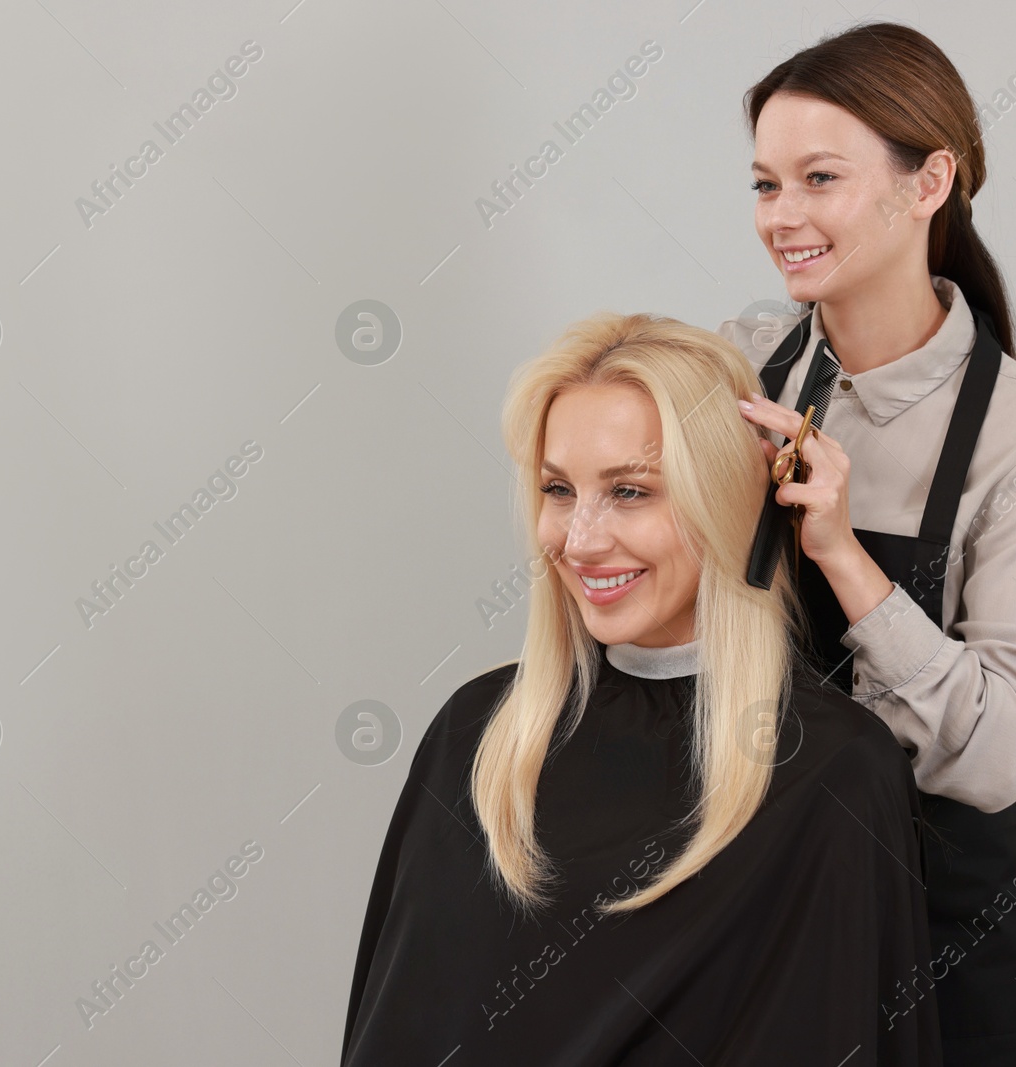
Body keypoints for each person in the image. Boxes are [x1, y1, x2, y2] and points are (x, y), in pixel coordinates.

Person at [341, 312, 942, 1065]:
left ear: (726, 500)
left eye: (630, 491)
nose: (580, 538)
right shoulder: (474, 736)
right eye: (558, 489)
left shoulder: (834, 772)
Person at [720, 22, 1016, 1066]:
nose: (780, 217)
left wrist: (841, 551)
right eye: (763, 184)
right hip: (760, 890)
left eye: (818, 178)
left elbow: (1003, 750)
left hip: (940, 931)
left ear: (929, 181)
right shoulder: (740, 369)